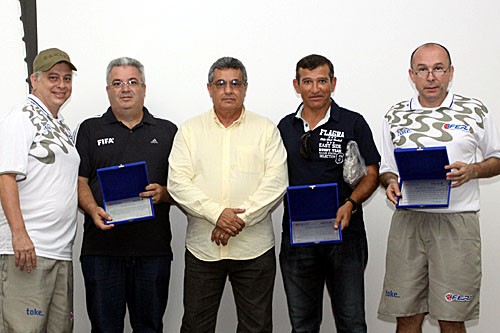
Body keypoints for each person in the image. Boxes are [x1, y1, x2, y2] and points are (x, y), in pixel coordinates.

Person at [378, 42, 500, 333]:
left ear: (450, 73)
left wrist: (473, 170)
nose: (430, 76)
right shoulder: (394, 115)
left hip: (457, 223)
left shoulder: (474, 110)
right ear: (412, 75)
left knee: (451, 317)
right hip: (408, 221)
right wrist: (390, 183)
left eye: (438, 69)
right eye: (422, 69)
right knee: (406, 316)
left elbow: (497, 157)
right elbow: (386, 169)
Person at [167, 56, 288, 332]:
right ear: (209, 89)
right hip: (203, 250)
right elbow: (177, 183)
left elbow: (275, 182)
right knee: (196, 326)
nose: (228, 90)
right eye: (220, 83)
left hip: (253, 249)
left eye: (235, 83)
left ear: (245, 88)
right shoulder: (189, 130)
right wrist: (217, 214)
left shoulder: (265, 129)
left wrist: (235, 222)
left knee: (255, 327)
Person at [277, 54, 380, 333]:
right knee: (303, 325)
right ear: (296, 85)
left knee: (352, 323)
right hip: (298, 239)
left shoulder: (353, 122)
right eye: (307, 82)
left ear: (333, 83)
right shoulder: (284, 128)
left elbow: (372, 174)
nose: (315, 88)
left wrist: (351, 203)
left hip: (345, 237)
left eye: (322, 81)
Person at [75, 57, 177, 333]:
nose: (125, 89)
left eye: (133, 82)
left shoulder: (168, 131)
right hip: (102, 250)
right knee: (105, 328)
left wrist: (165, 193)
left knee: (150, 327)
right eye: (117, 83)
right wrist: (91, 208)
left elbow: (184, 187)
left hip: (152, 251)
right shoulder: (89, 129)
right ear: (108, 90)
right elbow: (79, 181)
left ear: (144, 88)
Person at [0, 48, 78, 332]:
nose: (61, 85)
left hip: (59, 251)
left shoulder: (60, 125)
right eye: (52, 77)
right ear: (34, 80)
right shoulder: (20, 117)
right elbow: (5, 177)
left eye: (67, 78)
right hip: (28, 250)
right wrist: (19, 236)